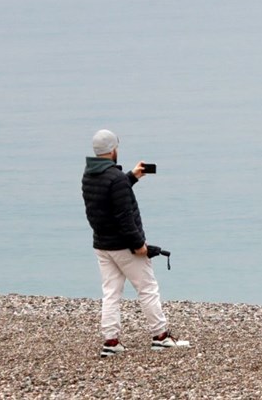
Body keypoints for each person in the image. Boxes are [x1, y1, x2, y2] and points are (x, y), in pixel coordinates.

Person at [81, 129, 190, 357]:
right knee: (148, 288)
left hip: (102, 245)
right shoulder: (115, 179)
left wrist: (131, 177)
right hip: (124, 246)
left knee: (111, 292)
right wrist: (139, 244)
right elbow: (124, 215)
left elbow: (108, 199)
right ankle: (160, 336)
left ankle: (111, 342)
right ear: (113, 150)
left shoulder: (89, 176)